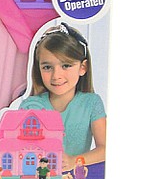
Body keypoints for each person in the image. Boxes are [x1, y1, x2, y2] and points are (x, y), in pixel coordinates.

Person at [20, 22, 106, 171]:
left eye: (66, 66)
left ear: (82, 67)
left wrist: (74, 161)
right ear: (39, 69)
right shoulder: (30, 106)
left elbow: (105, 149)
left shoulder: (92, 103)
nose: (56, 75)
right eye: (47, 67)